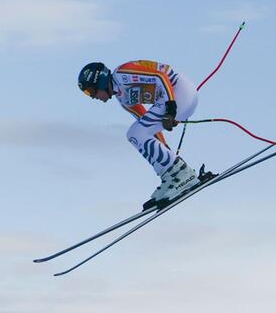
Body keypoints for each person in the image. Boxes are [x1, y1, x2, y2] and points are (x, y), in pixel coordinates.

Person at [78, 60, 212, 209]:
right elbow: (147, 129)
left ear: (100, 81)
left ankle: (182, 174)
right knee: (136, 134)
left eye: (90, 91)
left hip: (180, 91)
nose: (92, 96)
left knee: (134, 133)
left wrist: (170, 109)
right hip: (172, 99)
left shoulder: (122, 74)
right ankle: (171, 176)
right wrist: (166, 150)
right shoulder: (123, 99)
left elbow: (160, 77)